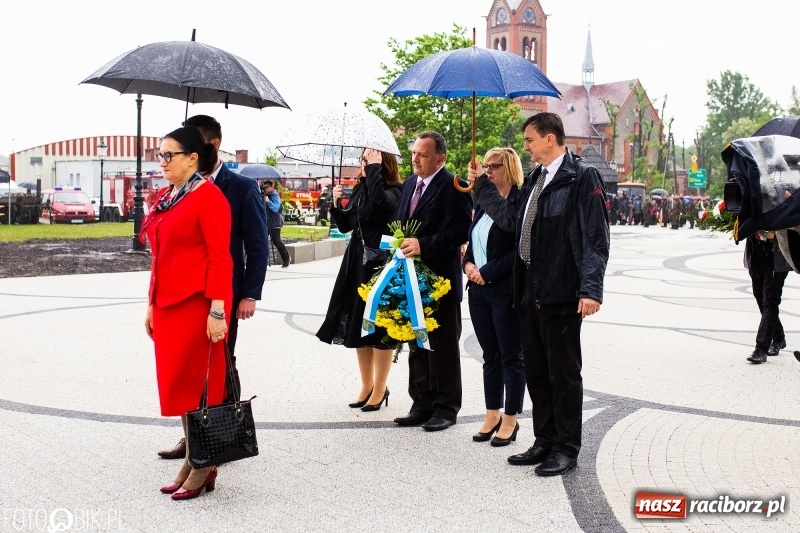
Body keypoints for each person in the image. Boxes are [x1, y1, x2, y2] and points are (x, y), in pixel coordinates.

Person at [469, 112, 610, 476]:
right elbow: (509, 219)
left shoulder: (581, 177)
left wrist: (591, 289)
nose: (526, 147)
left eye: (530, 140)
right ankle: (544, 440)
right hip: (528, 288)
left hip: (562, 290)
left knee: (563, 373)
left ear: (551, 139)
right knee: (536, 370)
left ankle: (566, 448)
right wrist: (481, 186)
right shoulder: (535, 178)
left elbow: (596, 237)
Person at [156, 115, 268, 460]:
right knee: (190, 371)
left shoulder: (239, 187)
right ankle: (193, 438)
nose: (165, 161)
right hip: (186, 298)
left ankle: (218, 435)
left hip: (223, 295)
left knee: (218, 366)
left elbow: (257, 245)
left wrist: (249, 294)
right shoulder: (176, 192)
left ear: (210, 145)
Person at [141, 126, 233, 500]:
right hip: (167, 307)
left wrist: (217, 310)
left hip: (197, 307)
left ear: (192, 158)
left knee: (201, 390)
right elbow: (158, 255)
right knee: (180, 389)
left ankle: (203, 464)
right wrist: (151, 302)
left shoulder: (208, 197)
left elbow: (220, 258)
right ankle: (195, 459)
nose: (161, 162)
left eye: (169, 155)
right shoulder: (168, 197)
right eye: (160, 155)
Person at [392, 131, 473, 432]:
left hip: (440, 280)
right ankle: (421, 402)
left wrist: (423, 244)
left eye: (422, 154)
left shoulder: (456, 185)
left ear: (440, 158)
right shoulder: (410, 184)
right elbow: (402, 224)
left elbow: (461, 231)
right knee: (416, 341)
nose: (415, 158)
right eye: (413, 153)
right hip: (411, 280)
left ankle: (446, 407)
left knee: (443, 346)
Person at [316, 149, 403, 411]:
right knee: (357, 324)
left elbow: (380, 204)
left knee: (378, 326)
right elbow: (347, 226)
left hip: (380, 263)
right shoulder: (362, 189)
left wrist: (374, 169)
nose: (361, 165)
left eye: (366, 160)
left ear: (380, 162)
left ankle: (380, 387)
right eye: (362, 160)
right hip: (356, 261)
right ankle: (366, 385)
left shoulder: (396, 190)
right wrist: (336, 205)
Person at [462, 147, 525, 447]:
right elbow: (473, 241)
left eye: (493, 166)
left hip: (503, 289)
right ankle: (492, 413)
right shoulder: (484, 203)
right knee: (491, 355)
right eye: (485, 166)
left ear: (509, 168)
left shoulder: (517, 203)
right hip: (478, 291)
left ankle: (511, 419)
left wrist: (488, 271)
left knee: (511, 356)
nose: (487, 172)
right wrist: (469, 265)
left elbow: (518, 252)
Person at [745, 232, 790, 364]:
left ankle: (761, 349)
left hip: (777, 253)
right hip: (756, 249)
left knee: (770, 300)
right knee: (760, 296)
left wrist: (778, 233)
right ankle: (778, 337)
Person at [263, 180, 290, 268]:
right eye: (264, 187)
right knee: (262, 241)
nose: (266, 189)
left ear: (271, 187)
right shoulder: (263, 195)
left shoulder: (274, 195)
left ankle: (286, 259)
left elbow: (275, 208)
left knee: (276, 241)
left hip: (274, 222)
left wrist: (268, 201)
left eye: (267, 187)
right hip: (265, 222)